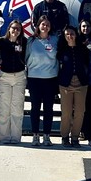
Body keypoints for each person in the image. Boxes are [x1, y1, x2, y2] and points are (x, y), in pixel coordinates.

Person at [26, 15, 59, 146]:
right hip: (34, 78)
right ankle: (35, 135)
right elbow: (26, 57)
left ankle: (46, 135)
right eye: (43, 24)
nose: (45, 27)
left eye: (47, 25)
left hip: (50, 79)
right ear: (38, 26)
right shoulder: (31, 41)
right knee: (35, 108)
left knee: (48, 109)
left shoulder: (55, 40)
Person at [57, 26, 90, 147]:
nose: (70, 36)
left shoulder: (82, 49)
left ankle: (75, 136)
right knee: (66, 112)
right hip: (66, 83)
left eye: (72, 33)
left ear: (76, 35)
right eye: (67, 34)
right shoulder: (62, 50)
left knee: (80, 112)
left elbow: (87, 64)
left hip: (81, 82)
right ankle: (65, 136)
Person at [0, 19, 27, 144]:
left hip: (19, 76)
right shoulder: (2, 42)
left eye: (18, 29)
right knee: (4, 108)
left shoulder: (24, 42)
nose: (15, 30)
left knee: (17, 108)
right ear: (9, 28)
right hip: (5, 77)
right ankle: (4, 137)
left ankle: (15, 137)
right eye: (13, 28)